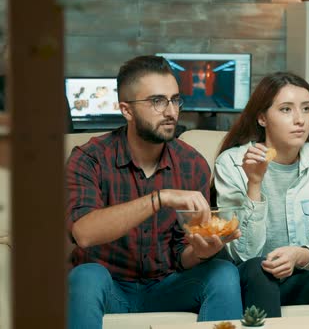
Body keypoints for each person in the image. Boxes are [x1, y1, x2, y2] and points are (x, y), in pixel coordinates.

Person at [65, 55, 242, 329]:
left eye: (175, 100)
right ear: (127, 110)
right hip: (109, 287)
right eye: (157, 102)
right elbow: (84, 234)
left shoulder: (192, 164)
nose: (171, 111)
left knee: (223, 272)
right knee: (85, 276)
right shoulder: (90, 158)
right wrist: (159, 198)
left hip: (166, 287)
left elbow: (182, 253)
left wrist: (201, 251)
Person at [213, 71, 309, 317]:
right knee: (258, 269)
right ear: (262, 118)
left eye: (306, 109)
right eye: (286, 110)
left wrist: (300, 254)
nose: (300, 119)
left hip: (301, 277)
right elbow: (243, 253)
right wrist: (254, 183)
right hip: (253, 280)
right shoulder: (232, 163)